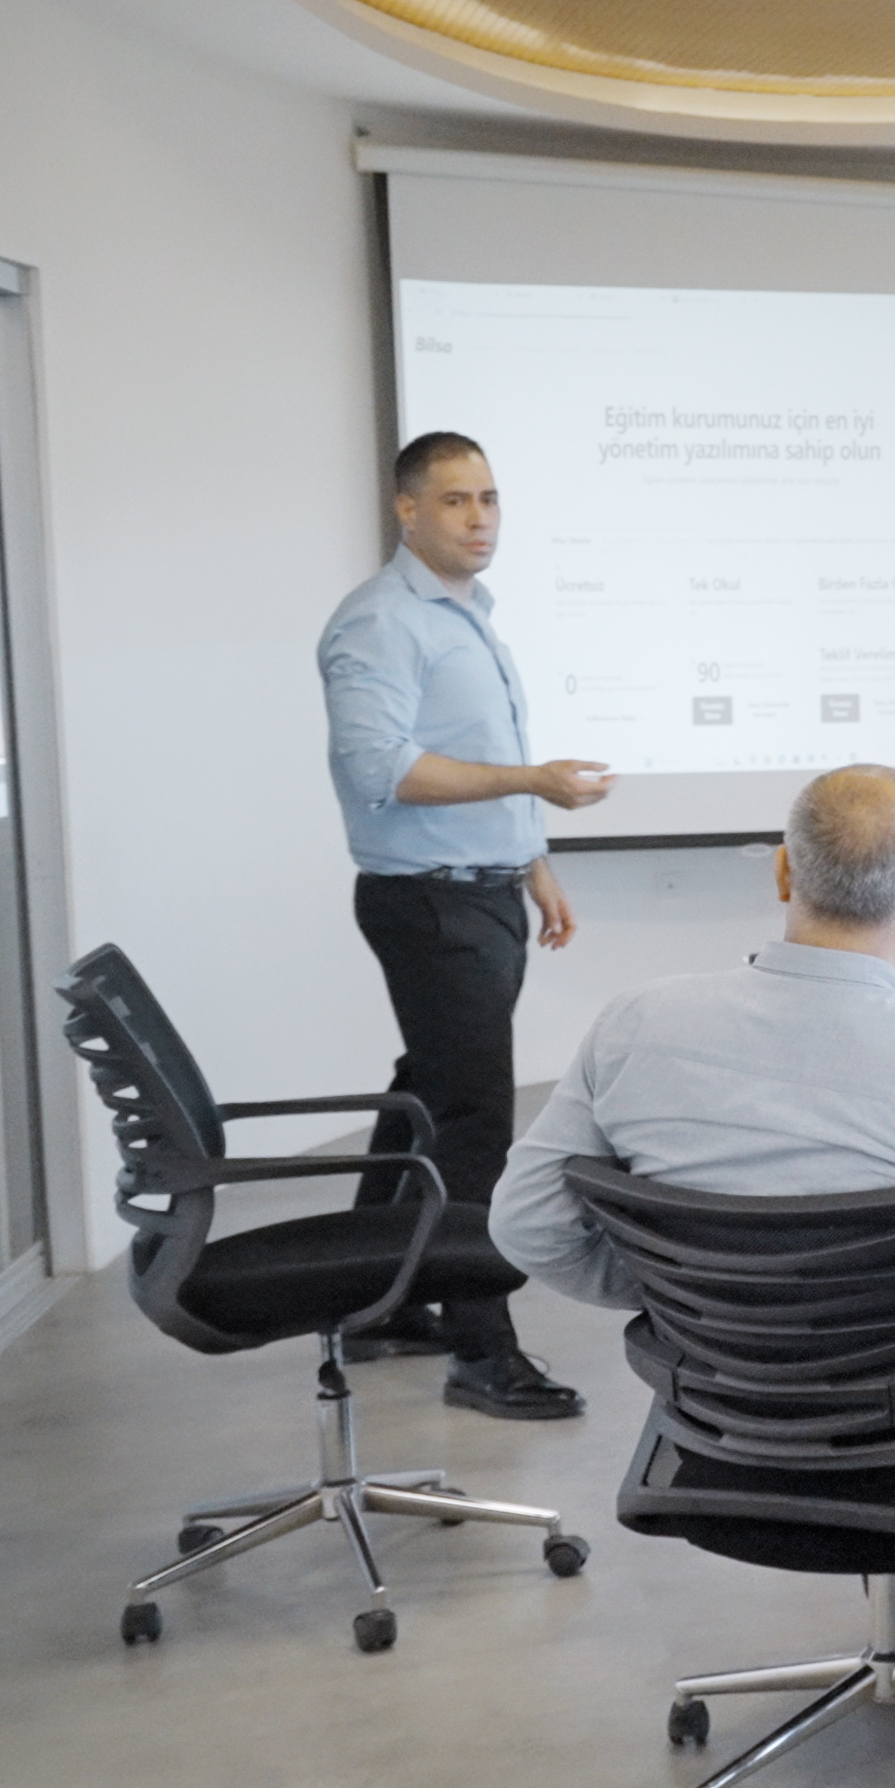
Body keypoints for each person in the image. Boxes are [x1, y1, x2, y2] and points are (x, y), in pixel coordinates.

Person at [488, 764, 895, 1680]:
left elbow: (525, 1225)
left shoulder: (635, 1025)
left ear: (783, 873)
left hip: (721, 1443)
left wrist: (698, 1300)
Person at [316, 430, 602, 1420]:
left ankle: (370, 1299)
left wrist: (534, 861)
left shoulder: (466, 614)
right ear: (407, 510)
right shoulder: (381, 623)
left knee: (428, 1095)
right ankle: (482, 1349)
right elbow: (382, 768)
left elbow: (477, 747)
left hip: (481, 889)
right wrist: (534, 784)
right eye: (454, 500)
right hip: (432, 903)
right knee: (476, 1123)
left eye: (488, 499)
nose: (479, 519)